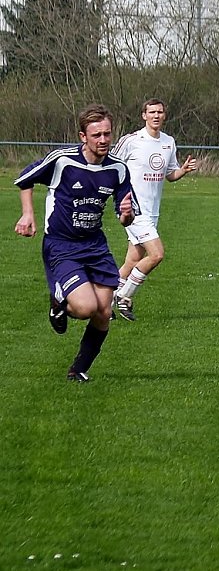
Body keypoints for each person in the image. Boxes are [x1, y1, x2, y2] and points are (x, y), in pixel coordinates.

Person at [14, 104, 136, 383]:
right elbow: (24, 179)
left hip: (95, 246)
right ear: (83, 136)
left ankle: (78, 369)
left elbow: (124, 217)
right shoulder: (62, 161)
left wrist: (126, 215)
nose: (103, 140)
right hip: (62, 245)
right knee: (84, 308)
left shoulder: (118, 169)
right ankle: (58, 302)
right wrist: (28, 213)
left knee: (104, 312)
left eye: (107, 134)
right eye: (97, 135)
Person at [111, 98, 197, 321]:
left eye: (160, 112)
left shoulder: (168, 142)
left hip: (152, 210)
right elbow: (110, 168)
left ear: (164, 115)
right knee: (157, 254)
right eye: (152, 112)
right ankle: (124, 296)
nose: (156, 116)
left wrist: (184, 170)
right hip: (132, 208)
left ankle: (105, 300)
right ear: (144, 115)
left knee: (133, 260)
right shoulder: (131, 141)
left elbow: (170, 175)